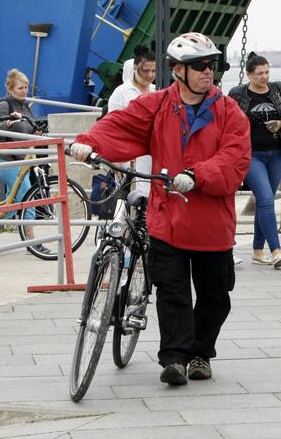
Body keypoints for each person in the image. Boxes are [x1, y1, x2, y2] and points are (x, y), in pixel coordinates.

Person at [69, 31, 251, 386]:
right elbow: (120, 124)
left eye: (211, 65)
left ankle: (201, 353)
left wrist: (196, 175)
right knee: (171, 290)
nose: (207, 72)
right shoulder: (157, 105)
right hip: (167, 216)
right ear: (177, 71)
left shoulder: (229, 111)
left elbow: (235, 159)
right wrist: (87, 144)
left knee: (215, 295)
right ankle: (175, 358)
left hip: (211, 222)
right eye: (198, 66)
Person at [228, 53, 281, 269]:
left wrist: (280, 123)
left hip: (277, 153)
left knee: (263, 202)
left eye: (267, 72)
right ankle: (276, 250)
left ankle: (257, 250)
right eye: (259, 73)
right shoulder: (237, 94)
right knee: (267, 198)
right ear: (249, 74)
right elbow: (227, 120)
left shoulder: (279, 90)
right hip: (251, 155)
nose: (264, 77)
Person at [0, 69, 48, 254]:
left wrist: (37, 133)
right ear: (10, 88)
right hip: (8, 158)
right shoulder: (5, 105)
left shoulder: (25, 105)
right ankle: (32, 242)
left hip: (22, 157)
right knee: (27, 195)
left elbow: (28, 128)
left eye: (26, 87)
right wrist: (8, 122)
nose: (24, 90)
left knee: (13, 203)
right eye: (20, 87)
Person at [107, 44, 156, 196]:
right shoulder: (121, 93)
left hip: (151, 155)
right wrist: (114, 159)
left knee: (149, 197)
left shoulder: (156, 90)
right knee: (125, 198)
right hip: (127, 155)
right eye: (145, 70)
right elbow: (112, 127)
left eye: (153, 71)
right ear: (135, 68)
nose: (149, 75)